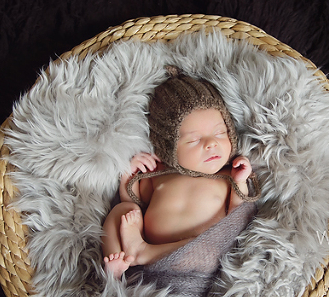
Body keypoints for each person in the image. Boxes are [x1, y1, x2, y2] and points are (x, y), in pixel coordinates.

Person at [102, 67, 260, 280]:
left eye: (220, 133)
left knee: (210, 253)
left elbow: (237, 215)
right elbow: (133, 203)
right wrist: (127, 173)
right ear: (170, 148)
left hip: (197, 256)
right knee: (122, 212)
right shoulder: (160, 173)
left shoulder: (227, 176)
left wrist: (240, 181)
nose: (211, 143)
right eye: (194, 140)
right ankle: (114, 269)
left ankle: (142, 252)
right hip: (146, 246)